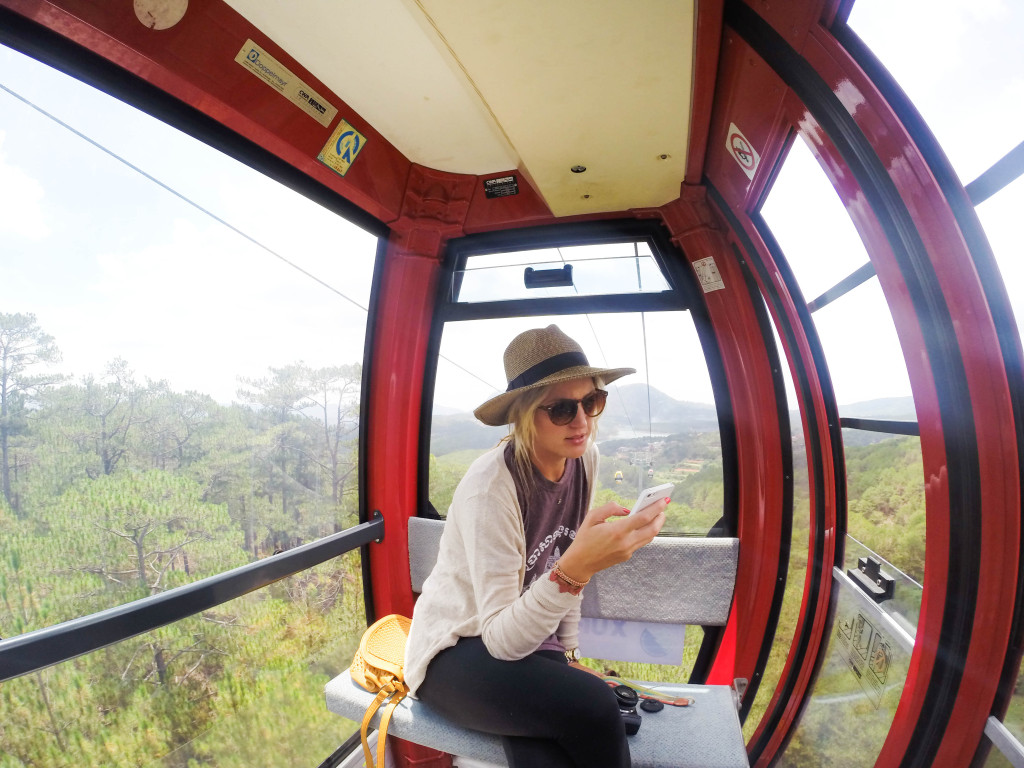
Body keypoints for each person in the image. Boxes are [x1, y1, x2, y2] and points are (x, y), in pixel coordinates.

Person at [404, 324, 668, 767]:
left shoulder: (584, 459)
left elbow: (560, 553)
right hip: (454, 649)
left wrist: (569, 652)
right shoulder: (492, 489)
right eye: (562, 409)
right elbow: (502, 638)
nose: (582, 421)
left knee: (547, 748)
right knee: (594, 707)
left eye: (591, 401)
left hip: (527, 637)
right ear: (525, 414)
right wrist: (578, 567)